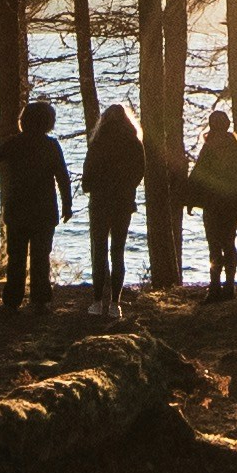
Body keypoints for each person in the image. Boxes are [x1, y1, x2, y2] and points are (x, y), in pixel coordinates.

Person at [0, 101, 74, 315]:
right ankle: (40, 301)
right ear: (48, 122)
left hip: (17, 210)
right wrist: (67, 205)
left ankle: (12, 301)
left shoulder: (15, 142)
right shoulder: (51, 145)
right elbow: (63, 177)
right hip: (44, 211)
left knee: (16, 257)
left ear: (24, 120)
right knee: (41, 257)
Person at [80, 103, 147, 321]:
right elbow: (140, 172)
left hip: (100, 202)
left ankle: (98, 301)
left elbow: (88, 175)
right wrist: (127, 189)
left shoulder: (98, 143)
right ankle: (115, 304)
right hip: (123, 202)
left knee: (99, 251)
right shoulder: (134, 143)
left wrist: (91, 187)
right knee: (118, 251)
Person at [190, 106, 237, 297]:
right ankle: (229, 286)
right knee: (229, 242)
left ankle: (214, 287)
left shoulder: (209, 147)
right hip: (234, 203)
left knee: (214, 244)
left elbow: (197, 175)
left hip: (213, 203)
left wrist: (189, 199)